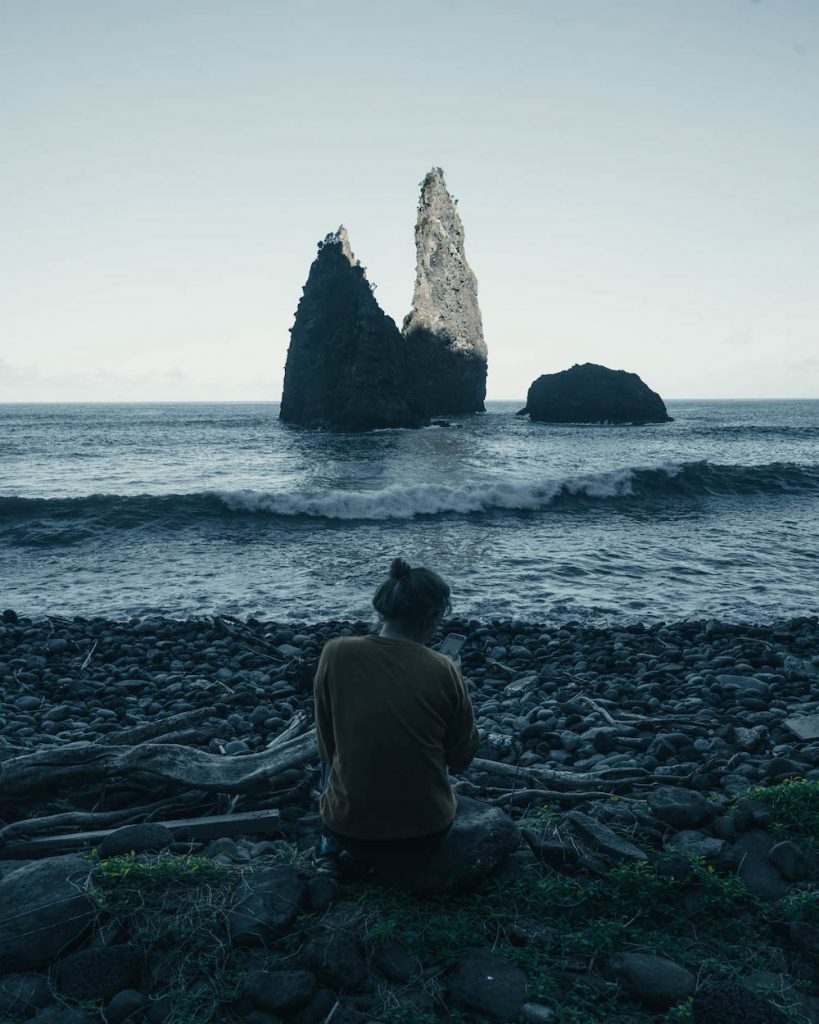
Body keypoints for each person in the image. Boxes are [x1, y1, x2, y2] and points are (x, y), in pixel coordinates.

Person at [313, 557, 479, 876]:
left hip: (347, 829)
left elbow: (327, 745)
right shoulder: (443, 668)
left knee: (333, 767)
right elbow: (461, 758)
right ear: (434, 616)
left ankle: (329, 854)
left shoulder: (335, 653)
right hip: (424, 832)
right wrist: (455, 682)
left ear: (383, 607)